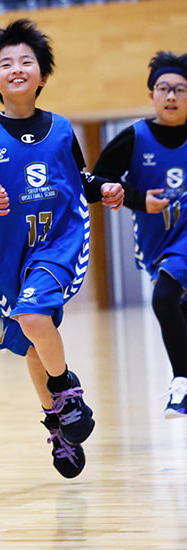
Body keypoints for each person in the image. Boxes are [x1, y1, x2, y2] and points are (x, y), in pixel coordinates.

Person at [0, 20, 124, 479]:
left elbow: (78, 180)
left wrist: (103, 188)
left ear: (42, 75)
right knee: (30, 341)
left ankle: (66, 389)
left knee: (33, 316)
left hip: (58, 241)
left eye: (27, 61)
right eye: (6, 63)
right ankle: (57, 422)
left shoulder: (61, 130)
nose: (17, 68)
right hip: (10, 253)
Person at [92, 51, 187, 417]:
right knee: (178, 308)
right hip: (157, 242)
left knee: (164, 299)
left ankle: (181, 383)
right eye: (164, 88)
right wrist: (136, 198)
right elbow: (96, 181)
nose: (171, 96)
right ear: (151, 95)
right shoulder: (134, 137)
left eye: (180, 89)